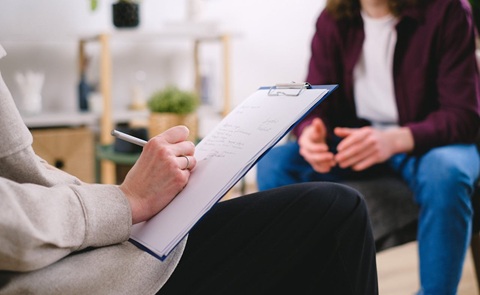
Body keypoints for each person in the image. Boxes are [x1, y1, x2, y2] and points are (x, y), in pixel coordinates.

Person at [0, 43, 378, 294]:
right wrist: (126, 201)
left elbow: (24, 172)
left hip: (82, 249)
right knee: (338, 211)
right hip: (67, 276)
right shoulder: (337, 22)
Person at [256, 0, 480, 294]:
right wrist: (310, 131)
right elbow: (315, 98)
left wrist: (395, 139)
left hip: (428, 142)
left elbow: (464, 114)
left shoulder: (447, 9)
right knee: (275, 163)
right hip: (358, 142)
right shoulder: (332, 20)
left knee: (446, 174)